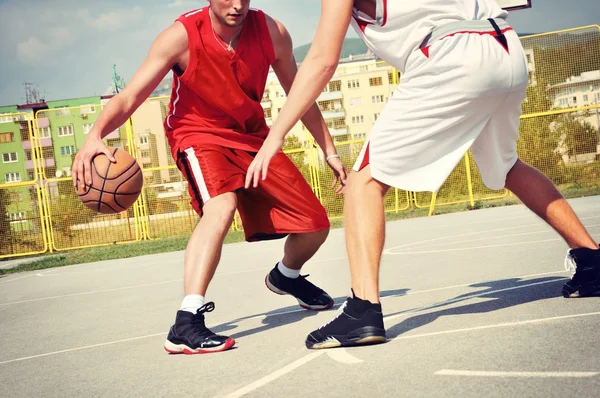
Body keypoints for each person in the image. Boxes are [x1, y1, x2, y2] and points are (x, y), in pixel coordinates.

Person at [245, 0, 600, 350]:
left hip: (450, 53)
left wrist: (276, 135)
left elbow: (322, 59)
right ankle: (591, 260)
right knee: (507, 165)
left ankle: (363, 310)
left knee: (364, 181)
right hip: (505, 45)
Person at [71, 0, 348, 355]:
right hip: (197, 135)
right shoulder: (180, 37)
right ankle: (186, 322)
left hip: (252, 137)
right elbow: (131, 96)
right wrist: (95, 135)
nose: (237, 5)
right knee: (221, 207)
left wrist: (330, 151)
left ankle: (285, 276)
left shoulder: (272, 33)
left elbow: (302, 95)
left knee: (315, 224)